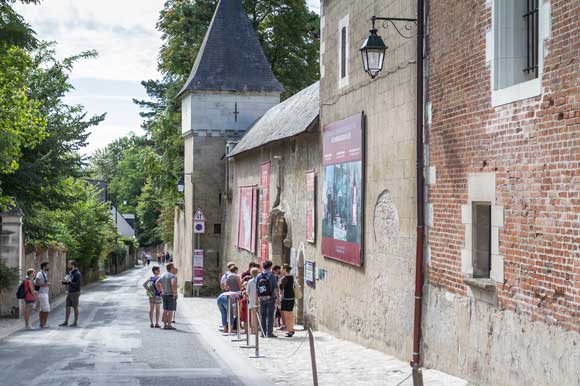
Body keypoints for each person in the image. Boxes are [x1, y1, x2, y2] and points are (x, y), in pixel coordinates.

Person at [256, 260, 279, 338]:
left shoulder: (259, 276)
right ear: (270, 267)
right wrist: (278, 298)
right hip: (271, 298)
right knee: (270, 316)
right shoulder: (272, 276)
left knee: (262, 316)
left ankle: (263, 333)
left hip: (262, 298)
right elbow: (275, 288)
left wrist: (257, 299)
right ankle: (269, 333)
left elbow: (257, 288)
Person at [60, 260, 81, 327]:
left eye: (69, 264)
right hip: (70, 292)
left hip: (75, 292)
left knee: (75, 307)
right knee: (67, 307)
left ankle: (75, 322)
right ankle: (66, 322)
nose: (67, 265)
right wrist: (63, 282)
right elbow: (69, 281)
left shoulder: (77, 273)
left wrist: (69, 282)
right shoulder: (70, 273)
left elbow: (77, 284)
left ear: (73, 265)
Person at [156, 263, 177, 330]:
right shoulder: (172, 276)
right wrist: (174, 293)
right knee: (170, 311)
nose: (174, 268)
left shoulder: (162, 275)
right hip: (171, 295)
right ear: (171, 268)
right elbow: (173, 284)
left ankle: (165, 325)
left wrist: (160, 291)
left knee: (165, 310)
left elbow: (156, 283)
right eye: (173, 267)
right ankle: (169, 324)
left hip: (164, 295)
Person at [279, 264, 295, 337]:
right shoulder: (291, 277)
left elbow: (281, 287)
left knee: (287, 315)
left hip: (286, 297)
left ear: (285, 269)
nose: (281, 270)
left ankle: (290, 331)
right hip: (291, 296)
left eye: (282, 269)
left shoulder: (284, 278)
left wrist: (280, 282)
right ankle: (291, 328)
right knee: (290, 314)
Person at [35, 262, 51, 328]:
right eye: (47, 266)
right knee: (47, 309)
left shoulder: (44, 273)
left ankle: (42, 323)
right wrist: (45, 285)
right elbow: (37, 281)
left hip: (44, 293)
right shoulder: (40, 273)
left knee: (42, 309)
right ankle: (44, 324)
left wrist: (46, 284)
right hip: (42, 293)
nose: (48, 267)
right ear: (44, 267)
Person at [245, 267, 259, 334]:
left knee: (253, 316)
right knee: (259, 315)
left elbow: (247, 292)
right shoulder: (260, 280)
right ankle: (258, 329)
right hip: (259, 300)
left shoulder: (250, 282)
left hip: (252, 300)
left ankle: (253, 330)